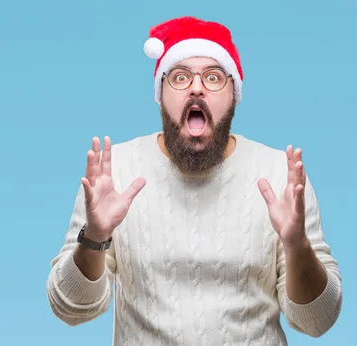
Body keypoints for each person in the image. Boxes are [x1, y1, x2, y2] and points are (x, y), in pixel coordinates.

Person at [45, 16, 342, 345]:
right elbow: (70, 308)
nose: (197, 87)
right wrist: (95, 237)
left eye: (214, 77)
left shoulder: (279, 176)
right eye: (180, 76)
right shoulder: (117, 171)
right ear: (160, 94)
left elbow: (318, 320)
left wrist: (297, 245)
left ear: (234, 96)